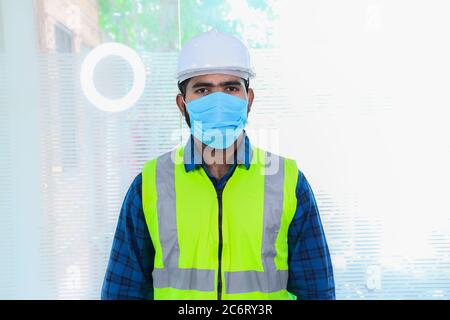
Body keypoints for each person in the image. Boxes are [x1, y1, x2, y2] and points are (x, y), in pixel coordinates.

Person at [101, 30, 335, 300]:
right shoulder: (149, 186)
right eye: (203, 90)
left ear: (249, 101)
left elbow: (317, 292)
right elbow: (122, 293)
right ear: (182, 105)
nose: (219, 102)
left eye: (231, 88)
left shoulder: (289, 183)